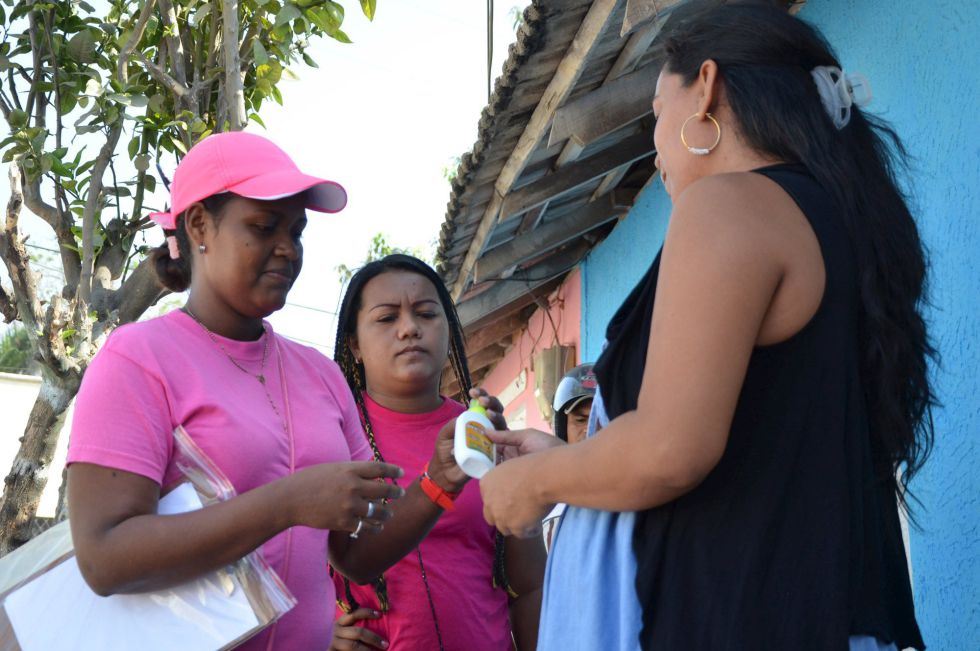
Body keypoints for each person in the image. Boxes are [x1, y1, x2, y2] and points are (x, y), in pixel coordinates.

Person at [479, 5, 932, 651]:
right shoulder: (838, 226)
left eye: (657, 114)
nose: (656, 145)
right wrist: (573, 462)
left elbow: (671, 449)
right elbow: (757, 457)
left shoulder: (727, 203)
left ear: (708, 87)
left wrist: (533, 484)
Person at [65, 132, 435, 650]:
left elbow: (355, 556)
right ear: (199, 226)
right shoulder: (138, 359)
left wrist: (439, 482)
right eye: (263, 228)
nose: (288, 249)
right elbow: (104, 558)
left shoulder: (320, 376)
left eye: (296, 230)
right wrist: (286, 503)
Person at [327, 254, 546, 651]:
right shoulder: (331, 434)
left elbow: (528, 584)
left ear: (448, 333)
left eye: (427, 314)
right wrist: (319, 629)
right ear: (354, 345)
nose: (410, 329)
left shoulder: (482, 434)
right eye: (387, 318)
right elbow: (286, 557)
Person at [541, 363, 596, 550]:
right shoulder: (546, 506)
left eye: (601, 418)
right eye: (580, 420)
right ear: (562, 429)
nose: (590, 430)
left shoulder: (640, 497)